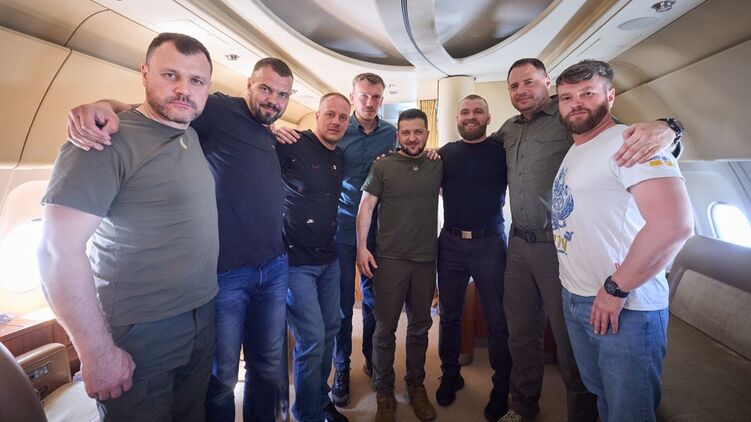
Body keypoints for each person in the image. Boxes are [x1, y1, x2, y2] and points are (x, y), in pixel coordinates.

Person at [66, 57, 296, 422]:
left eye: (282, 95)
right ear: (249, 85)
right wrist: (103, 106)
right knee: (222, 377)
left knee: (267, 365)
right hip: (227, 272)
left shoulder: (268, 130)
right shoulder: (218, 109)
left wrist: (276, 128)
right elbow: (148, 113)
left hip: (273, 265)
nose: (273, 100)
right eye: (266, 89)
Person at [490, 58, 682, 422]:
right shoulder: (509, 130)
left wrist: (669, 128)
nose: (522, 90)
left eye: (529, 82)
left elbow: (639, 143)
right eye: (514, 86)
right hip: (522, 245)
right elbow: (479, 151)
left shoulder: (571, 120)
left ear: (546, 83)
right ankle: (523, 408)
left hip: (556, 246)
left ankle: (579, 415)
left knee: (570, 349)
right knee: (522, 333)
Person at [38, 33, 218, 421]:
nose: (183, 90)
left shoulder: (189, 134)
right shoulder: (103, 140)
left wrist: (108, 103)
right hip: (141, 328)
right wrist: (95, 352)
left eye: (196, 81)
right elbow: (56, 251)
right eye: (170, 75)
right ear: (145, 73)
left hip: (201, 315)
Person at [553, 59, 693, 422]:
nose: (576, 103)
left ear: (610, 96)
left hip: (624, 307)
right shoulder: (577, 148)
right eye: (567, 97)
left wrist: (615, 289)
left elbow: (674, 225)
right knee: (602, 396)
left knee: (629, 412)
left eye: (587, 93)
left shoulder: (632, 142)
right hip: (578, 298)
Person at [276, 73, 396, 406]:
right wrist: (273, 129)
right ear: (353, 96)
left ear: (382, 99)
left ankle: (371, 357)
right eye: (363, 96)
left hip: (377, 232)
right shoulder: (337, 130)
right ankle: (342, 369)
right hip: (338, 230)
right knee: (342, 309)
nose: (369, 102)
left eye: (376, 97)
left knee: (373, 303)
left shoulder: (391, 134)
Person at [356, 109, 442, 422]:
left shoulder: (437, 164)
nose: (412, 138)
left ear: (427, 134)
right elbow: (366, 207)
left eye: (418, 132)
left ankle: (415, 385)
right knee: (384, 329)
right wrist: (362, 248)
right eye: (406, 132)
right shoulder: (383, 165)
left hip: (425, 260)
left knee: (420, 328)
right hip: (390, 260)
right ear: (397, 136)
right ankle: (383, 390)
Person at [434, 95, 511, 421]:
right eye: (465, 111)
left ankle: (501, 387)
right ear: (457, 118)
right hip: (450, 243)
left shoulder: (503, 150)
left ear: (488, 117)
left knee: (497, 321)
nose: (470, 116)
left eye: (478, 111)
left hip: (490, 243)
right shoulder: (444, 153)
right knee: (449, 315)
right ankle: (450, 374)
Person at [277, 93, 351, 422]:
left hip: (329, 259)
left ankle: (321, 401)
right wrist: (271, 128)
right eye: (330, 114)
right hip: (296, 263)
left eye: (343, 117)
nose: (336, 121)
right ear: (316, 115)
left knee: (331, 328)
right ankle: (306, 413)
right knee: (311, 339)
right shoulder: (292, 143)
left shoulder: (339, 156)